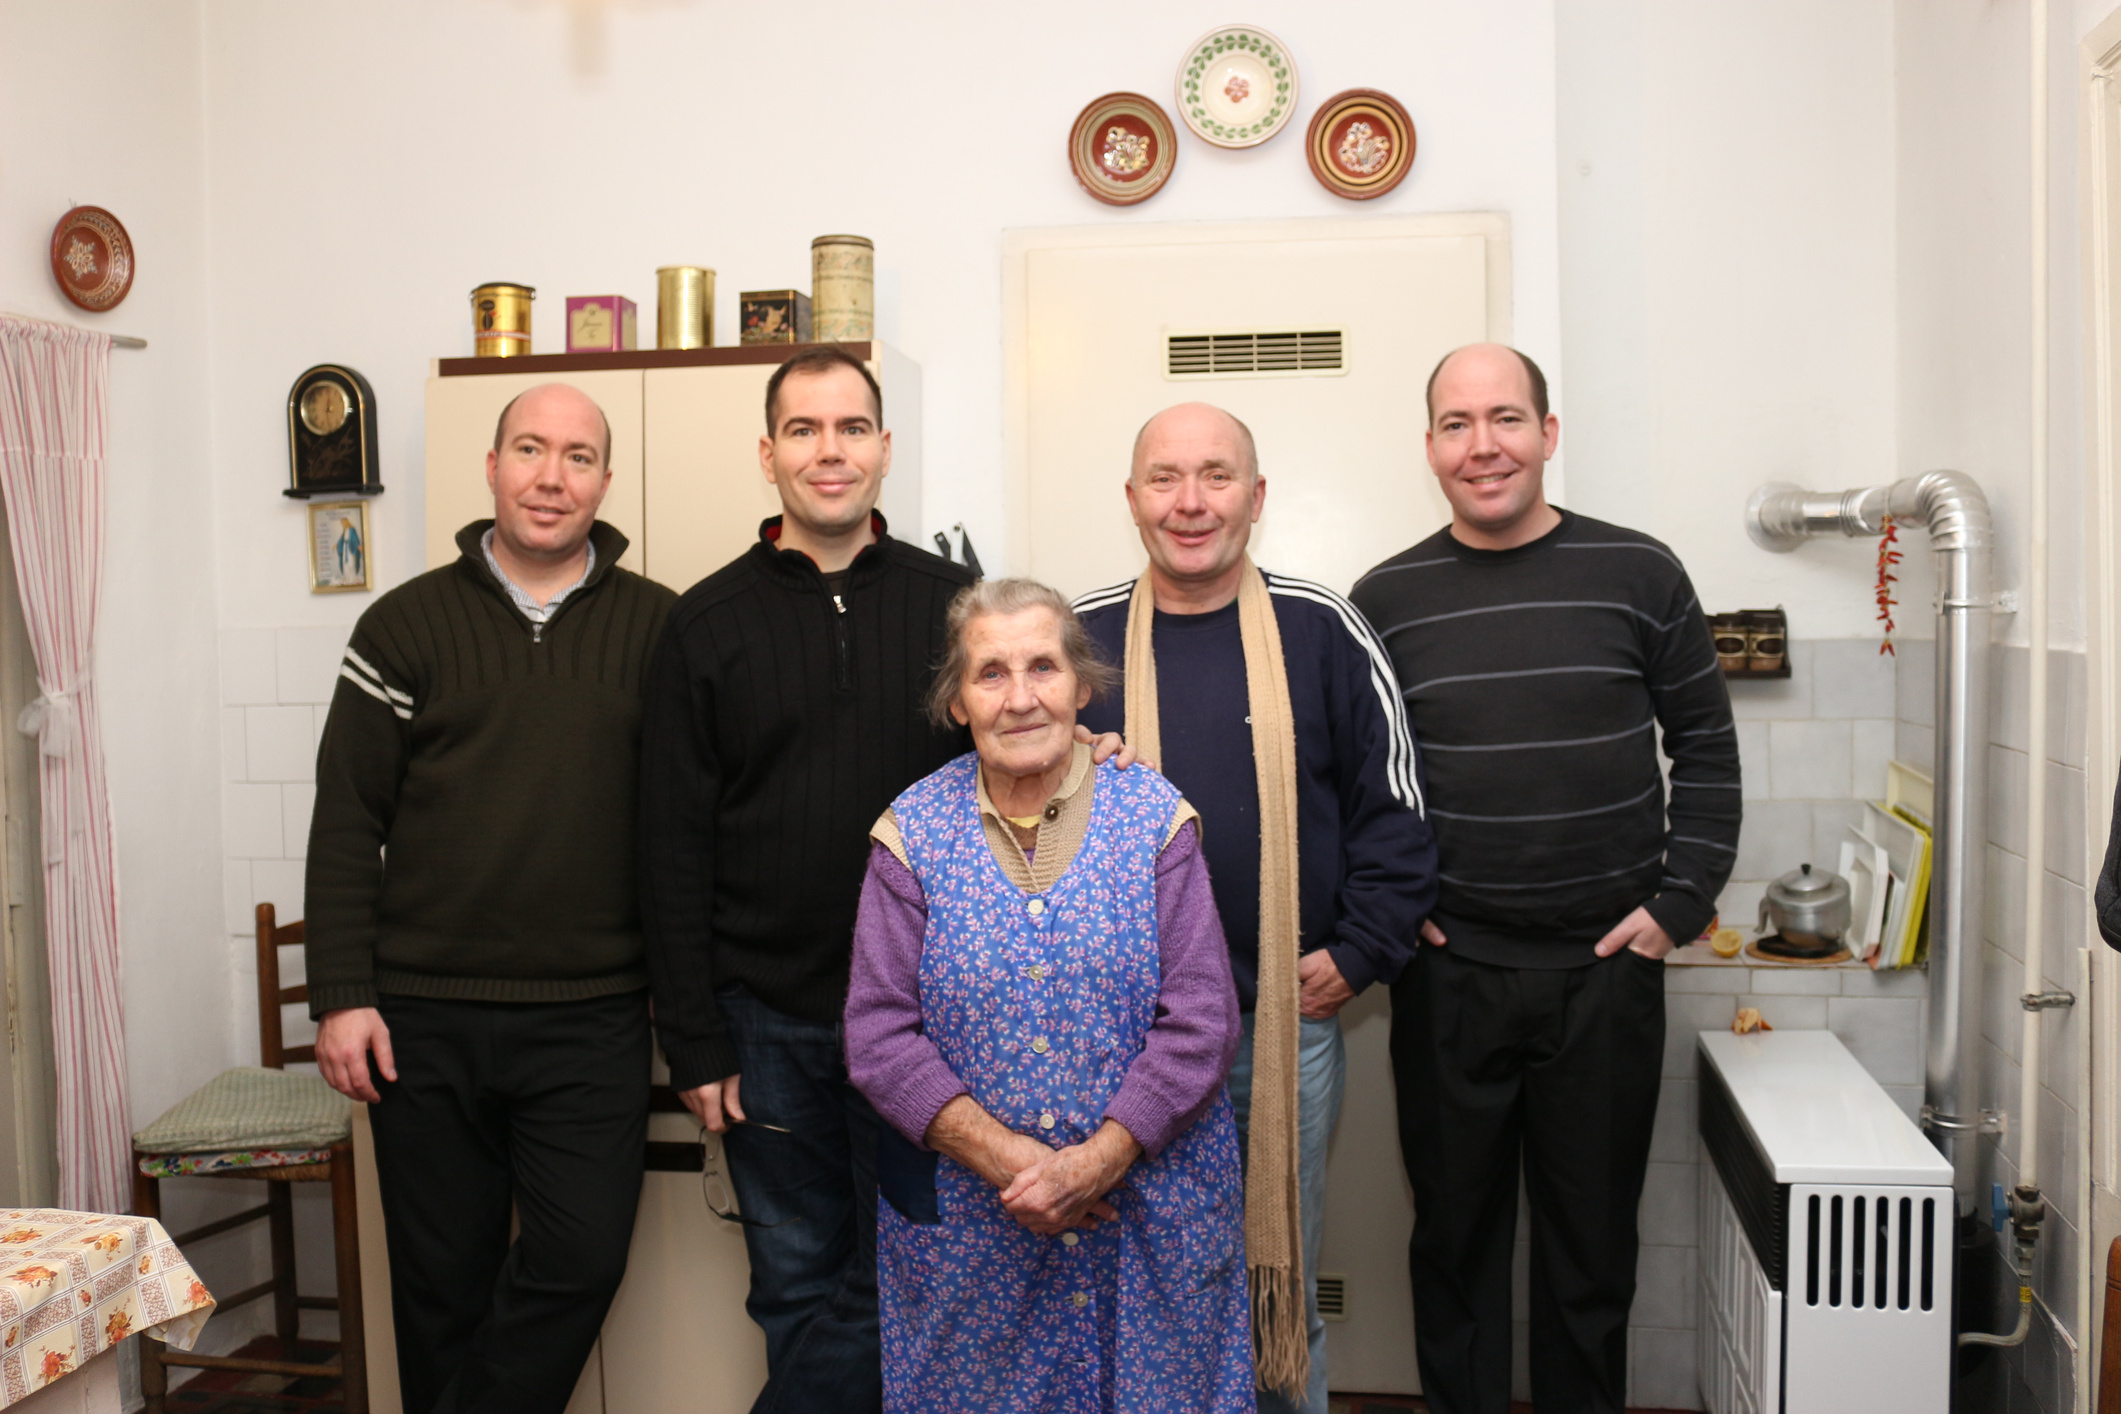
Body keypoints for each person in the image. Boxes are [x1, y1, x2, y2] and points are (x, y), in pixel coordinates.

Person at [638, 347, 1134, 1412]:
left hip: (928, 1028)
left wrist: (1094, 751)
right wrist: (694, 1035)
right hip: (766, 1023)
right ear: (768, 452)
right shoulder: (703, 624)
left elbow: (1019, 734)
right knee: (794, 1286)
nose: (830, 451)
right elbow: (669, 843)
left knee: (917, 1287)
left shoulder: (950, 602)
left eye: (851, 428)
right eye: (804, 430)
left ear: (884, 448)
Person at [1349, 343, 1742, 1414]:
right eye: (1457, 423)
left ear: (1548, 433)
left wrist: (1676, 907)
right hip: (1449, 978)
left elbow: (1706, 749)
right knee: (1454, 1247)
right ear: (1430, 446)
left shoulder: (1640, 573)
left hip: (1605, 976)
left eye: (1506, 418)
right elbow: (1353, 777)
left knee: (1589, 1254)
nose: (1483, 446)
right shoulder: (1384, 598)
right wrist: (1392, 912)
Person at [305, 384, 677, 1414]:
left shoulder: (662, 628)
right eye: (529, 449)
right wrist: (341, 993)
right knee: (440, 1293)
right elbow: (347, 820)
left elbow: (693, 822)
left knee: (581, 1258)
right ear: (492, 466)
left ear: (606, 480)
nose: (551, 477)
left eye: (577, 457)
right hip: (420, 1021)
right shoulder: (402, 624)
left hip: (594, 1017)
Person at [1073, 403, 1438, 1414]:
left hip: (1277, 1030)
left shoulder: (1323, 629)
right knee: (1125, 1289)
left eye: (1216, 475)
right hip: (1114, 1038)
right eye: (1165, 478)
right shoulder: (1074, 641)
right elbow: (1004, 805)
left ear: (1258, 495)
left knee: (1271, 1289)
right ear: (1133, 498)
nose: (1190, 502)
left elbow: (1395, 810)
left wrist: (1360, 953)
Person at [846, 578, 1253, 1414]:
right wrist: (1008, 1159)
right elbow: (878, 1036)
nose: (1020, 697)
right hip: (977, 1225)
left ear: (1081, 686)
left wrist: (1101, 1157)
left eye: (1042, 667)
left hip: (1150, 1216)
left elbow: (1203, 1018)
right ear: (957, 701)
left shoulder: (1153, 819)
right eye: (990, 673)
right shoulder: (910, 834)